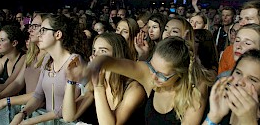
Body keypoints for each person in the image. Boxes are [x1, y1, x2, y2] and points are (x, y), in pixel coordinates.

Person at [85, 37, 215, 124]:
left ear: (181, 74)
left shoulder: (194, 91)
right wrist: (97, 63)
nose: (153, 77)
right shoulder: (150, 74)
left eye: (162, 75)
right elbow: (113, 62)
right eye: (152, 67)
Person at [9, 14, 87, 125]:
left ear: (58, 34)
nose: (39, 35)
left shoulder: (74, 62)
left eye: (43, 30)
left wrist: (29, 121)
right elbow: (38, 95)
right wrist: (22, 114)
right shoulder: (47, 59)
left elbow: (64, 109)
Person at [62, 32, 147, 124]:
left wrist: (99, 87)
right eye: (94, 51)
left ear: (117, 55)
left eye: (103, 51)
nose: (95, 56)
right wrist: (71, 80)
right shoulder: (94, 84)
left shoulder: (135, 89)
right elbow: (68, 117)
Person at [0, 13, 48, 120]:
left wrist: (5, 101)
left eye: (35, 26)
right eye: (30, 26)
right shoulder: (31, 54)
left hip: (43, 114)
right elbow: (18, 83)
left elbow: (40, 94)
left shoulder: (50, 57)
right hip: (30, 111)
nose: (30, 30)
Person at [204, 50, 260, 124]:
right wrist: (214, 116)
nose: (240, 82)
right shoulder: (220, 103)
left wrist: (250, 121)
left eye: (252, 79)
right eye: (238, 73)